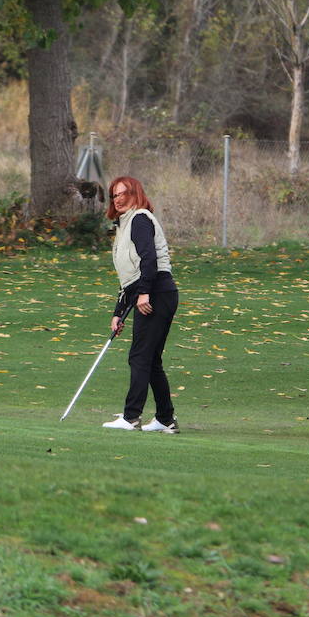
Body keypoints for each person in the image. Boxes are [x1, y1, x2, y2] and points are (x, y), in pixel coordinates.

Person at [102, 176, 179, 433]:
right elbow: (129, 277)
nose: (119, 199)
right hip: (150, 292)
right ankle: (165, 419)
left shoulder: (140, 219)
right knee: (151, 359)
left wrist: (145, 294)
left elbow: (149, 261)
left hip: (156, 292)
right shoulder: (124, 225)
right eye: (114, 195)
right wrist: (118, 313)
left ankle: (131, 417)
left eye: (124, 194)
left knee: (140, 356)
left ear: (135, 195)